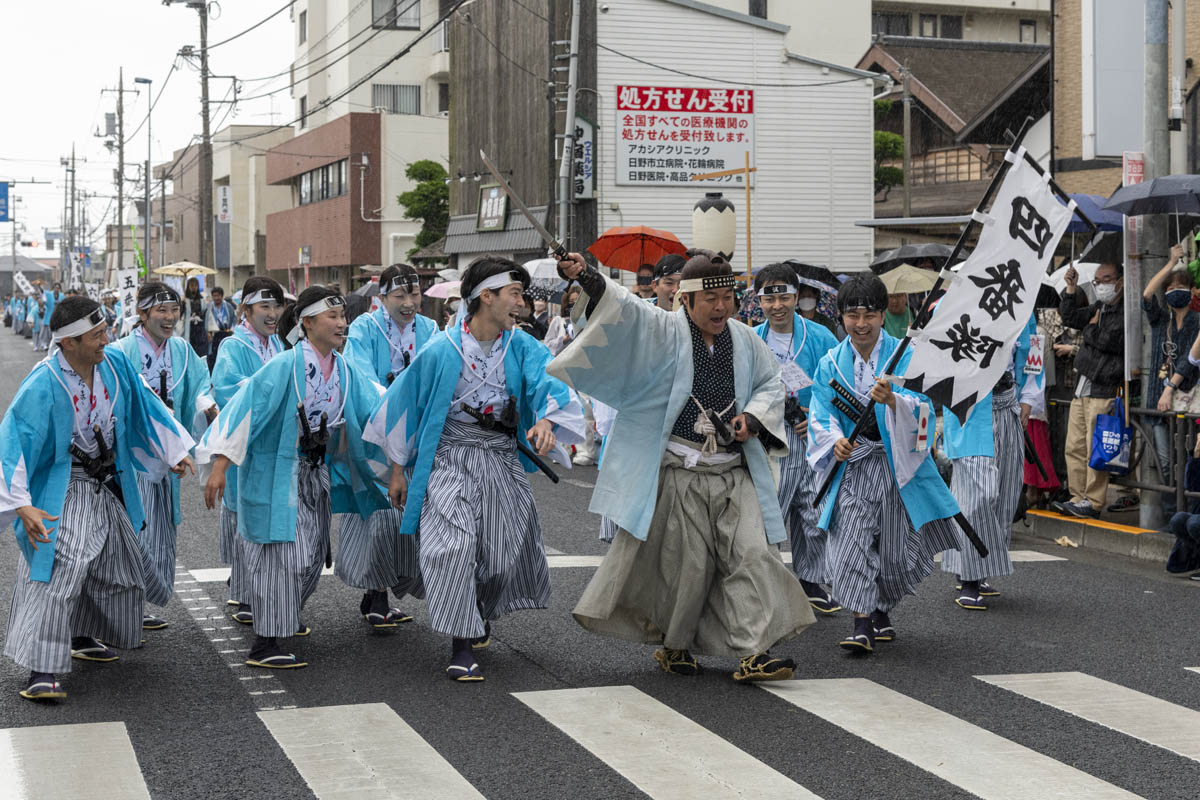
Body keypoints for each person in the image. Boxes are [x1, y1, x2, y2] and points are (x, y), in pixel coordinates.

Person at [553, 249, 814, 682]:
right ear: (685, 300)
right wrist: (587, 275)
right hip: (681, 470)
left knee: (752, 553)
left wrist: (751, 418)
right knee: (686, 568)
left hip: (733, 469)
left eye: (727, 298)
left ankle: (756, 650)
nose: (720, 307)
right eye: (710, 300)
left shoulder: (747, 340)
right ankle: (675, 646)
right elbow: (626, 310)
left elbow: (771, 383)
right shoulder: (663, 330)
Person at [364, 256, 584, 682]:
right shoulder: (440, 350)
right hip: (450, 456)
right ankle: (460, 643)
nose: (521, 303)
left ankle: (477, 611)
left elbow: (552, 384)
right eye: (515, 294)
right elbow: (403, 409)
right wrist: (397, 471)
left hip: (500, 458)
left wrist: (545, 420)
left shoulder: (523, 346)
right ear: (487, 296)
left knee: (500, 556)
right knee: (450, 548)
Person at [0, 297, 194, 701]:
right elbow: (12, 444)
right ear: (68, 344)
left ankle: (82, 633)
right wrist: (22, 504)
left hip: (107, 479)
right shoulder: (43, 382)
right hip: (63, 483)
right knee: (62, 562)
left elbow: (145, 405)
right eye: (97, 334)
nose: (107, 339)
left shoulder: (115, 366)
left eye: (106, 330)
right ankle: (42, 668)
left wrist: (174, 450)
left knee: (113, 560)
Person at [199, 286, 388, 669]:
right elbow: (244, 411)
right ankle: (266, 643)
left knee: (311, 557)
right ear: (307, 323)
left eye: (342, 316)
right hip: (276, 473)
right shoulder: (284, 366)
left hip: (314, 472)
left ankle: (280, 619)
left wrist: (405, 454)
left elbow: (376, 410)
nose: (341, 323)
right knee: (282, 558)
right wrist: (220, 465)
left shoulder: (345, 370)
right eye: (332, 317)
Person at [807, 273, 961, 654]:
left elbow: (925, 409)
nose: (861, 325)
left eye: (870, 315)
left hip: (897, 466)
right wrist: (834, 440)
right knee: (852, 540)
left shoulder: (905, 355)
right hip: (854, 464)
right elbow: (819, 410)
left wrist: (896, 401)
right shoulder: (830, 363)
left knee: (893, 549)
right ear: (841, 316)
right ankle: (861, 620)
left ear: (881, 315)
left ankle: (880, 605)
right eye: (852, 316)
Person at [112, 282, 215, 630]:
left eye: (175, 311)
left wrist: (206, 406)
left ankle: (136, 604)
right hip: (135, 457)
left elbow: (200, 387)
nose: (170, 318)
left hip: (169, 460)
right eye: (162, 311)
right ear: (142, 314)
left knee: (159, 535)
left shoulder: (184, 352)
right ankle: (125, 606)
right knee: (134, 534)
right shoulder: (123, 351)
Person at [341, 263, 438, 627]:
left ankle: (389, 586)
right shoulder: (364, 328)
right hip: (376, 438)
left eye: (414, 294)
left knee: (416, 516)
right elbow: (358, 374)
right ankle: (377, 592)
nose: (409, 302)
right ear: (381, 298)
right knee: (381, 518)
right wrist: (393, 405)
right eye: (399, 295)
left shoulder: (429, 329)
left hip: (418, 439)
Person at [753, 263, 841, 612]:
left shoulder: (820, 337)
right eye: (769, 298)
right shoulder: (751, 339)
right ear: (759, 301)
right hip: (771, 436)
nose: (778, 306)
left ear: (796, 296)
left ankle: (810, 579)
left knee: (814, 508)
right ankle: (767, 582)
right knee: (770, 508)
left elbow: (838, 382)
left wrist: (819, 415)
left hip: (813, 433)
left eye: (784, 296)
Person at [941, 313, 1041, 610]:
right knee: (976, 495)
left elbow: (1032, 351)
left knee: (1005, 493)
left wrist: (1029, 398)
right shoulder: (955, 302)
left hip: (1007, 403)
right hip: (969, 409)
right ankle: (970, 579)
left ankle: (975, 569)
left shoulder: (1023, 302)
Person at [209, 277, 286, 623]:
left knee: (264, 515)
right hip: (245, 443)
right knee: (244, 516)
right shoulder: (233, 346)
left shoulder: (278, 345)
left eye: (276, 306)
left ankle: (259, 592)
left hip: (273, 444)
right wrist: (271, 393)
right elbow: (227, 390)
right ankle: (244, 593)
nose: (272, 314)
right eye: (264, 307)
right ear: (246, 310)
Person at [1055, 261, 1125, 519]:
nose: (1101, 285)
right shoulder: (1099, 307)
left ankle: (1093, 502)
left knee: (1095, 447)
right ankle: (1077, 496)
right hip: (1082, 384)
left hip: (1104, 385)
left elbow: (1109, 341)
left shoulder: (1124, 312)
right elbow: (1071, 317)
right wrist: (1071, 289)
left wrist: (1091, 328)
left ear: (1120, 281)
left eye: (1106, 279)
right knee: (1074, 446)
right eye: (1097, 280)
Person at [1147, 247, 1200, 512]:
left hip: (1186, 400)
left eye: (1182, 286)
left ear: (1192, 292)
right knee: (1165, 461)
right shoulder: (1160, 319)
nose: (1176, 290)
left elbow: (1189, 362)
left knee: (1187, 456)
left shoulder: (1197, 321)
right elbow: (1147, 295)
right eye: (1171, 287)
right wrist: (1171, 263)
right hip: (1158, 399)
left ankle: (1185, 511)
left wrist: (1172, 387)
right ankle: (1171, 514)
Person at [204, 286, 237, 372]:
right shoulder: (209, 307)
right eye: (214, 296)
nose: (216, 298)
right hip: (215, 335)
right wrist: (208, 332)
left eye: (218, 296)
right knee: (214, 356)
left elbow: (234, 319)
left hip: (226, 332)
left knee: (226, 355)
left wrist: (232, 331)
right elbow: (206, 320)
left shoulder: (228, 306)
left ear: (222, 296)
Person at [545, 285, 581, 357]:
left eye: (577, 300)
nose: (574, 304)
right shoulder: (558, 320)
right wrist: (563, 340)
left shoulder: (588, 321)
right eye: (571, 301)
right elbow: (547, 345)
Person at [184, 277, 208, 357]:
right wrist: (182, 304)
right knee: (189, 352)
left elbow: (206, 316)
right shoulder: (185, 300)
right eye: (191, 285)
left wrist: (208, 331)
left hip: (200, 331)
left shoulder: (202, 300)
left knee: (201, 353)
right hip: (189, 329)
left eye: (195, 285)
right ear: (188, 286)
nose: (193, 287)